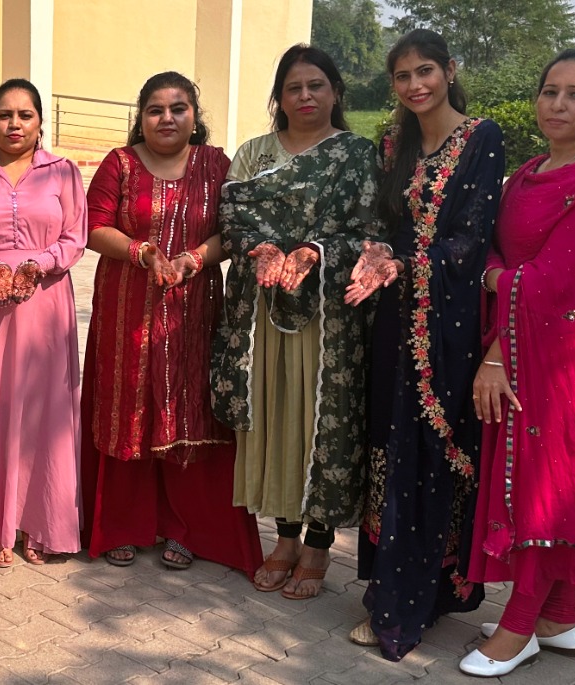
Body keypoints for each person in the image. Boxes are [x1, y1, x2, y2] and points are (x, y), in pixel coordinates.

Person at [460, 49, 575, 678]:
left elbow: (555, 283)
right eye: (549, 91)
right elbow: (503, 254)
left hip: (568, 361)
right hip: (530, 345)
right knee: (545, 479)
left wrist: (494, 333)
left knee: (546, 486)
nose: (557, 105)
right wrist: (496, 274)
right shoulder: (530, 172)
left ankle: (518, 631)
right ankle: (557, 618)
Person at [341, 30, 503, 659]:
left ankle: (419, 595)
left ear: (449, 70)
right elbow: (385, 223)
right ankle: (389, 585)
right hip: (392, 314)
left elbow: (471, 237)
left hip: (448, 321)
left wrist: (407, 264)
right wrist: (378, 252)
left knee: (431, 449)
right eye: (403, 75)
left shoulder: (481, 137)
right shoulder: (395, 143)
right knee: (390, 443)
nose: (415, 85)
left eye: (425, 71)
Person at [211, 45, 378, 600]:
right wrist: (261, 249)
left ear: (335, 92)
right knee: (276, 416)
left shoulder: (356, 155)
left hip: (329, 319)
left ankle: (318, 545)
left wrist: (313, 251)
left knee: (320, 421)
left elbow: (370, 231)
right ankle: (284, 539)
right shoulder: (254, 153)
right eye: (293, 88)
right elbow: (232, 217)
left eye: (316, 85)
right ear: (279, 98)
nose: (305, 96)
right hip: (261, 307)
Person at [79, 72, 262, 577]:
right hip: (127, 311)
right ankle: (123, 524)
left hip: (194, 312)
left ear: (194, 116)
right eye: (155, 110)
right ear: (140, 117)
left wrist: (195, 258)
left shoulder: (216, 164)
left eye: (178, 108)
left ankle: (187, 527)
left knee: (190, 409)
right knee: (128, 408)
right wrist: (141, 251)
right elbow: (93, 227)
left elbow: (233, 230)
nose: (166, 118)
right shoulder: (120, 163)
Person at [0, 78, 86, 568]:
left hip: (45, 301)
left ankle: (41, 523)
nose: (14, 124)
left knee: (44, 411)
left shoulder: (63, 172)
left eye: (25, 115)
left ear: (40, 122)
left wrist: (36, 265)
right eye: (4, 115)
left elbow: (75, 237)